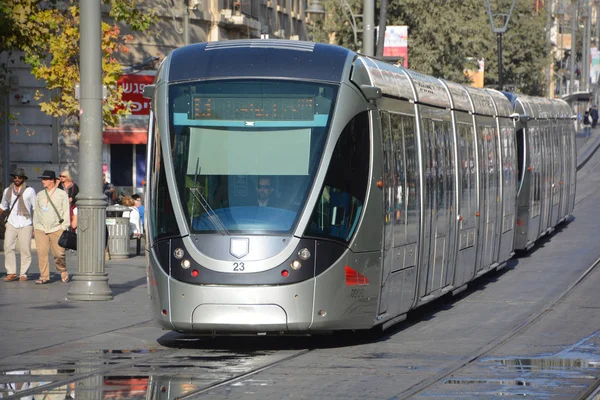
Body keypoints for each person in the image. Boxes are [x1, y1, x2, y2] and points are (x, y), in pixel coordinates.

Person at [33, 170, 70, 284]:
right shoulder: (40, 194)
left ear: (52, 180)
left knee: (59, 254)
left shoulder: (62, 194)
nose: (43, 181)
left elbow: (66, 211)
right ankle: (44, 276)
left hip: (57, 228)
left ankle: (62, 270)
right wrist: (35, 227)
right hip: (41, 228)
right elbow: (36, 212)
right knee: (42, 253)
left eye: (45, 179)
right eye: (42, 179)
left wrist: (64, 226)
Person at [1, 168, 36, 282]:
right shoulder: (8, 191)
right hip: (11, 222)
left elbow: (35, 208)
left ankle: (23, 273)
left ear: (23, 178)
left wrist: (35, 226)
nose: (17, 179)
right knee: (7, 247)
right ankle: (11, 272)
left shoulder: (29, 191)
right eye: (15, 177)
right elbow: (3, 206)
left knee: (25, 249)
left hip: (26, 223)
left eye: (19, 177)